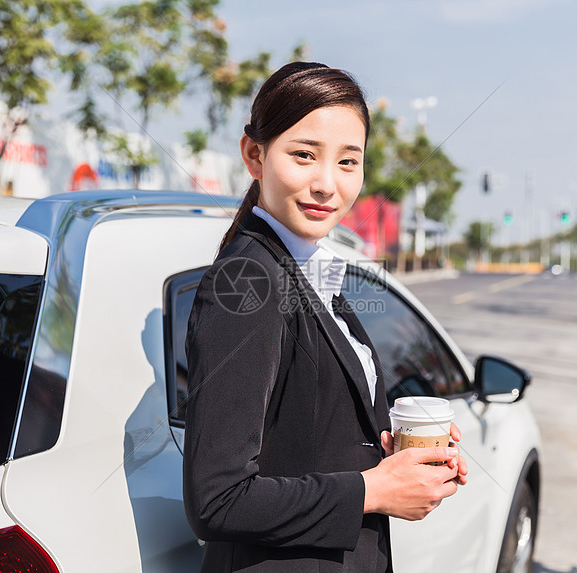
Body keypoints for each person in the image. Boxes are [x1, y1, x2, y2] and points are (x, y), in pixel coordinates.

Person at [183, 61, 468, 573]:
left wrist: (399, 457)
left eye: (347, 162)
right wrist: (372, 490)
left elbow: (306, 437)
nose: (326, 184)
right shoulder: (245, 285)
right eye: (304, 155)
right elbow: (217, 499)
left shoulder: (310, 273)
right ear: (254, 154)